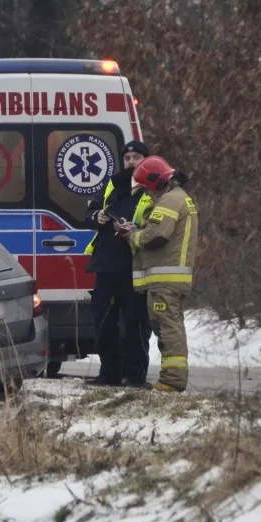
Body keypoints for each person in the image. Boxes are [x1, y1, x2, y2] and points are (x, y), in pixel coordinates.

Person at [118, 156, 198, 392]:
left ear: (154, 182)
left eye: (147, 189)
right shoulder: (179, 198)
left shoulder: (169, 201)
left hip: (165, 281)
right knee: (171, 326)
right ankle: (173, 378)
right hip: (172, 280)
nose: (148, 194)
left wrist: (132, 235)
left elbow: (155, 237)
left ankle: (172, 380)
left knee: (167, 328)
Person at [84, 141, 153, 386]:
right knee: (104, 323)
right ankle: (109, 373)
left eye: (136, 157)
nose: (131, 162)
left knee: (136, 323)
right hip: (106, 264)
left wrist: (136, 228)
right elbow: (90, 212)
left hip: (135, 266)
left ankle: (135, 376)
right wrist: (98, 216)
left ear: (146, 159)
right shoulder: (111, 185)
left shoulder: (152, 188)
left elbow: (159, 225)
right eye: (127, 158)